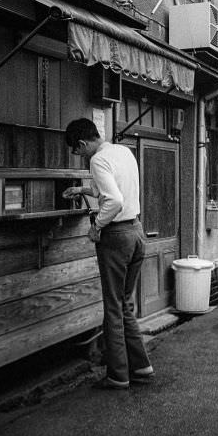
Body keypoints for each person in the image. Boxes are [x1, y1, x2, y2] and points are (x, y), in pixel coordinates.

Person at [61, 118, 154, 390]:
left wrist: (96, 227)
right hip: (136, 232)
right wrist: (82, 189)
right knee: (124, 304)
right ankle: (142, 367)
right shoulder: (123, 152)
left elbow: (113, 200)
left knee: (113, 308)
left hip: (115, 236)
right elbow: (115, 190)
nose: (78, 156)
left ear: (81, 143)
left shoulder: (97, 161)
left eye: (76, 151)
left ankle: (118, 376)